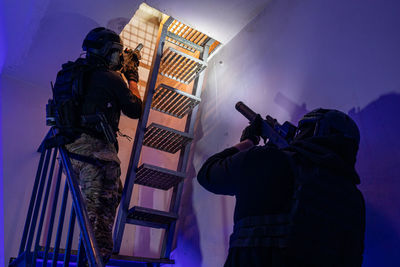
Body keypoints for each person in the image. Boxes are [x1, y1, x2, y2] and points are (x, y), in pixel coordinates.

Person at [197, 108, 365, 266]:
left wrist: (249, 141)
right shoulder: (354, 199)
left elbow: (207, 174)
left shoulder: (267, 160)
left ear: (312, 132)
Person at [63, 27, 142, 263]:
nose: (117, 58)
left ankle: (88, 259)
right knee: (100, 220)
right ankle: (94, 262)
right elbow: (135, 108)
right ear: (109, 51)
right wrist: (132, 77)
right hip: (97, 157)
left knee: (95, 212)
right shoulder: (109, 78)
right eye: (116, 53)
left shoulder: (79, 74)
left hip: (75, 153)